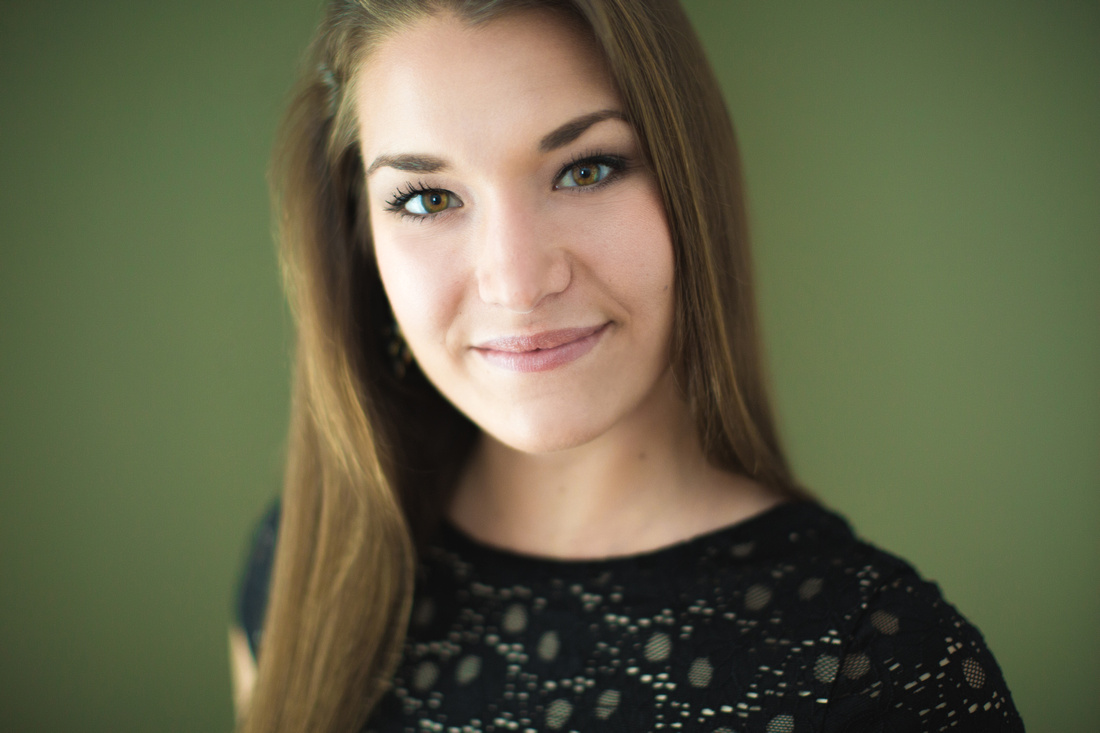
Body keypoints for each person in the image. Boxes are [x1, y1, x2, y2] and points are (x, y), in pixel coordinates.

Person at [230, 1, 1025, 731]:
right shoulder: (309, 572)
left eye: (586, 169)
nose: (517, 282)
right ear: (361, 237)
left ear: (688, 185)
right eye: (429, 199)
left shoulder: (880, 670)